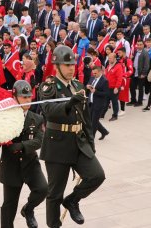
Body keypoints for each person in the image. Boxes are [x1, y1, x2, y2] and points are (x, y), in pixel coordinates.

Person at [38, 45, 105, 228]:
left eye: (72, 65)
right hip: (57, 146)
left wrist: (90, 142)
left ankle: (73, 200)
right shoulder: (48, 86)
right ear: (57, 66)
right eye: (66, 65)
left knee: (96, 175)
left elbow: (85, 118)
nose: (70, 68)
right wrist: (69, 102)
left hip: (78, 141)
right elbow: (49, 111)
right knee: (54, 194)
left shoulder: (77, 85)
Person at [0, 80, 47, 228]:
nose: (28, 100)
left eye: (29, 97)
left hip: (30, 163)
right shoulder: (4, 117)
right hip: (11, 166)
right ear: (15, 98)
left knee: (42, 189)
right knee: (9, 205)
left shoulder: (36, 118)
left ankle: (28, 209)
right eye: (24, 97)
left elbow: (39, 141)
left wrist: (21, 145)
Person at [87, 66, 109, 140]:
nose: (94, 74)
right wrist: (87, 86)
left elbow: (106, 94)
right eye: (93, 73)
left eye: (95, 73)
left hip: (99, 104)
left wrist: (96, 92)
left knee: (94, 122)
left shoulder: (104, 81)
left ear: (100, 72)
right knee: (91, 120)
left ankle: (91, 137)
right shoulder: (92, 78)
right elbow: (88, 84)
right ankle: (104, 131)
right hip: (91, 102)